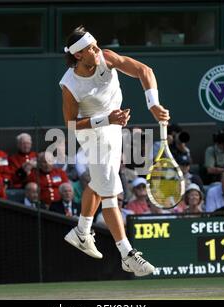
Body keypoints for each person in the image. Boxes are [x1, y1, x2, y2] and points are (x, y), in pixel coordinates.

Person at [60, 26, 170, 276]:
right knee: (109, 190)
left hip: (113, 127)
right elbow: (70, 124)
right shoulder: (69, 85)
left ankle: (81, 231)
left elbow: (145, 71)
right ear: (79, 55)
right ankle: (127, 254)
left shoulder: (106, 57)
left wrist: (153, 104)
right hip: (91, 132)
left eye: (96, 44)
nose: (97, 49)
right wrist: (105, 119)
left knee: (101, 184)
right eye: (91, 48)